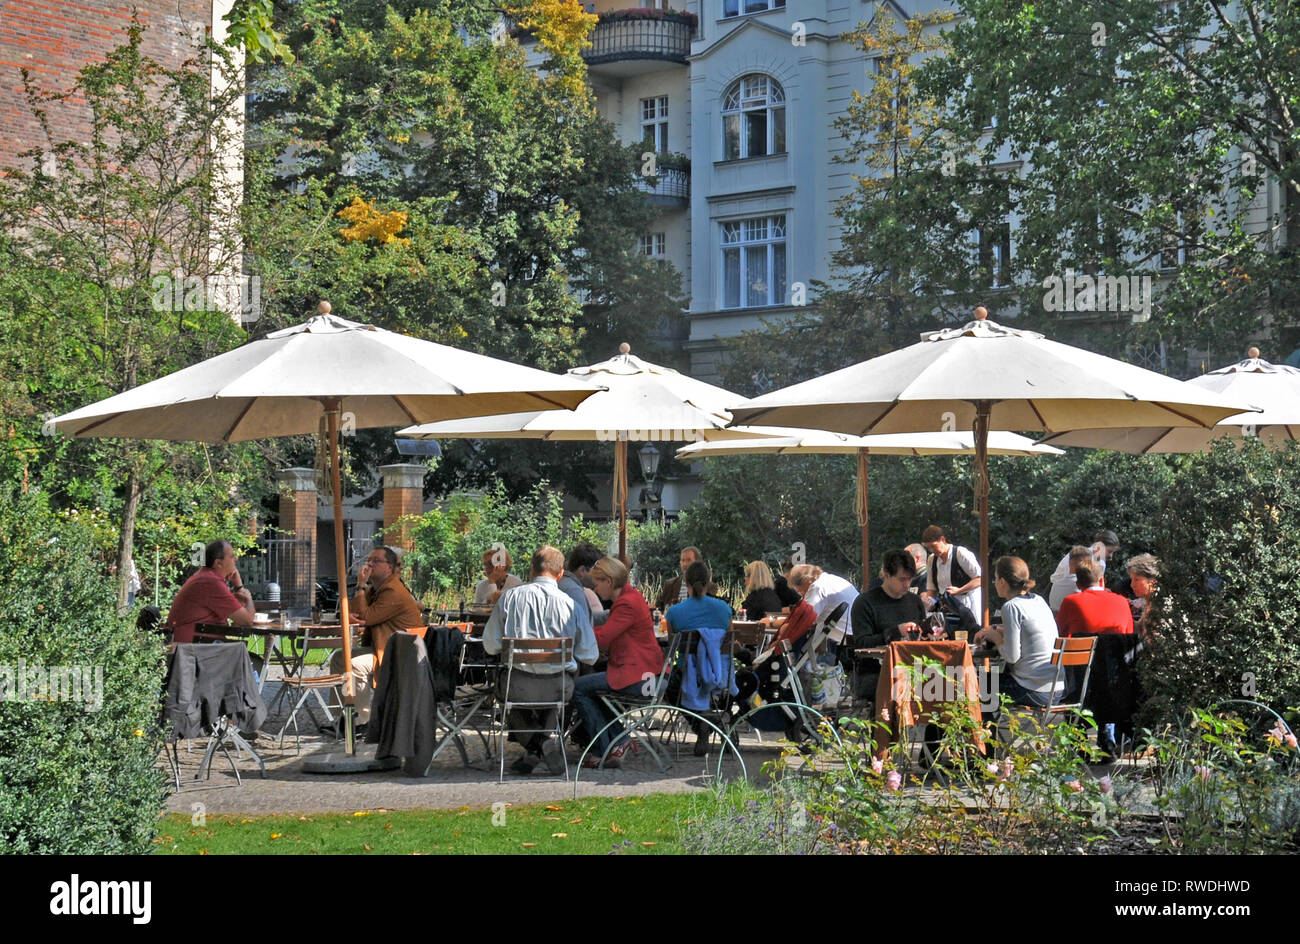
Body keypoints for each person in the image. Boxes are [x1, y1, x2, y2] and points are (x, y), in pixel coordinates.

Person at [482, 546, 598, 775]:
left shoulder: (509, 598)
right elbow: (589, 654)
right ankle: (542, 744)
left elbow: (491, 645)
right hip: (559, 687)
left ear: (532, 569)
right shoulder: (571, 604)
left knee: (502, 690)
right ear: (561, 573)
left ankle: (536, 746)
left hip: (517, 686)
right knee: (560, 683)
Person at [570, 557, 663, 768]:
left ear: (609, 581)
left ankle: (606, 748)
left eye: (598, 582)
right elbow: (608, 632)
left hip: (637, 674)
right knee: (594, 689)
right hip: (646, 671)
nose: (595, 587)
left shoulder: (626, 603)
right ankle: (619, 741)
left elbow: (603, 638)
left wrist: (577, 632)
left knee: (578, 688)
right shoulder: (632, 596)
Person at [330, 546, 423, 733]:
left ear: (389, 567)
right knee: (339, 657)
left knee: (353, 663)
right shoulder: (378, 589)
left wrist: (359, 585)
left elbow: (366, 616)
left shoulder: (393, 591)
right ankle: (342, 717)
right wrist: (362, 592)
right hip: (387, 649)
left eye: (376, 561)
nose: (369, 564)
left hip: (401, 656)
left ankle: (361, 721)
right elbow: (357, 611)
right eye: (369, 559)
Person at [973, 557, 1063, 709]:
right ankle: (990, 728)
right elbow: (1029, 633)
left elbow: (1011, 657)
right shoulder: (1038, 600)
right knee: (990, 682)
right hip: (1056, 689)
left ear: (1002, 581)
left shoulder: (1011, 607)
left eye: (995, 578)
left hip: (1033, 690)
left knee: (974, 682)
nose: (995, 583)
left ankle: (986, 731)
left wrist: (996, 637)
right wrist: (997, 630)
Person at [665, 560, 735, 755]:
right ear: (709, 581)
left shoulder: (674, 612)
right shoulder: (724, 609)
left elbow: (672, 647)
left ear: (686, 582)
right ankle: (719, 721)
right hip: (720, 675)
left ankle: (700, 726)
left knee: (668, 685)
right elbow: (729, 640)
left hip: (688, 675)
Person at [849, 548, 930, 703]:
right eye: (902, 579)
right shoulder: (865, 603)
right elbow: (861, 644)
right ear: (886, 575)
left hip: (915, 669)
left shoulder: (914, 601)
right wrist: (895, 632)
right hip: (876, 672)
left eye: (910, 579)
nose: (907, 585)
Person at [165, 540, 255, 643]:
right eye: (232, 556)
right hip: (193, 650)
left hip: (199, 645)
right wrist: (248, 597)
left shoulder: (206, 577)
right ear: (218, 563)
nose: (236, 559)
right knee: (240, 650)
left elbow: (238, 620)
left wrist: (238, 587)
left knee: (239, 649)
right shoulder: (211, 582)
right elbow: (247, 621)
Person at [1055, 558, 1135, 638]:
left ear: (1078, 584)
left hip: (1082, 649)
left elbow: (1058, 633)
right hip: (1116, 650)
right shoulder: (1123, 601)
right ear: (1102, 580)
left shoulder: (1071, 602)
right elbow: (1129, 636)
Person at [921, 525, 982, 625]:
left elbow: (980, 579)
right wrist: (924, 607)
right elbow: (932, 591)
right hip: (947, 609)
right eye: (928, 547)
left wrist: (959, 590)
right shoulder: (931, 560)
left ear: (942, 539)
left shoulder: (961, 553)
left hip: (968, 605)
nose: (932, 550)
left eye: (933, 546)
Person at [786, 563, 859, 638]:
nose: (802, 595)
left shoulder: (817, 587)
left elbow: (802, 621)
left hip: (842, 641)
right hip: (855, 634)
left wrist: (776, 623)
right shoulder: (829, 579)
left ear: (805, 581)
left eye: (799, 591)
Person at [1048, 530, 1119, 603]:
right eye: (1109, 551)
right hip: (1062, 597)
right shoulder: (1079, 556)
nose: (1111, 556)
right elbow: (1071, 584)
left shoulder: (1101, 563)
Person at [654, 546, 718, 611]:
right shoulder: (670, 585)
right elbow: (658, 608)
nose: (685, 564)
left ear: (697, 563)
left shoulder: (709, 587)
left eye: (688, 560)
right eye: (682, 560)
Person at [563, 543, 606, 625]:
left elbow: (584, 617)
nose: (600, 576)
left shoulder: (567, 584)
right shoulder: (574, 590)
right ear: (582, 571)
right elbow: (584, 627)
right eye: (597, 571)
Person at [1121, 553, 1160, 641]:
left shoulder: (1160, 605)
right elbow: (1139, 628)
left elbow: (1154, 642)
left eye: (1136, 579)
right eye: (1132, 579)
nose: (1132, 585)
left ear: (1152, 582)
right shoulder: (1150, 601)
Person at [1048, 545, 1094, 613]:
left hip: (1054, 621)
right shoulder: (1083, 587)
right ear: (1088, 565)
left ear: (1069, 563)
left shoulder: (1055, 584)